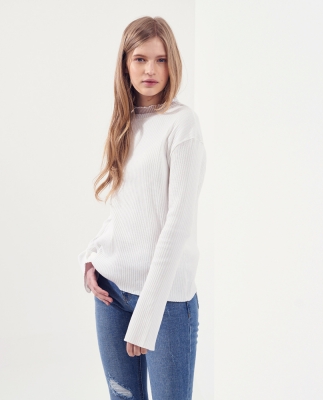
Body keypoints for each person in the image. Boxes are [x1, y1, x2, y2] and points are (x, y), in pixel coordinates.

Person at [78, 16, 207, 400]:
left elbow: (177, 223)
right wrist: (91, 257)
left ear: (172, 65)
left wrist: (147, 315)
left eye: (160, 60)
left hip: (165, 303)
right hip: (112, 293)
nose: (150, 69)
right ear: (125, 64)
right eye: (140, 59)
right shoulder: (124, 122)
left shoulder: (182, 124)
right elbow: (125, 207)